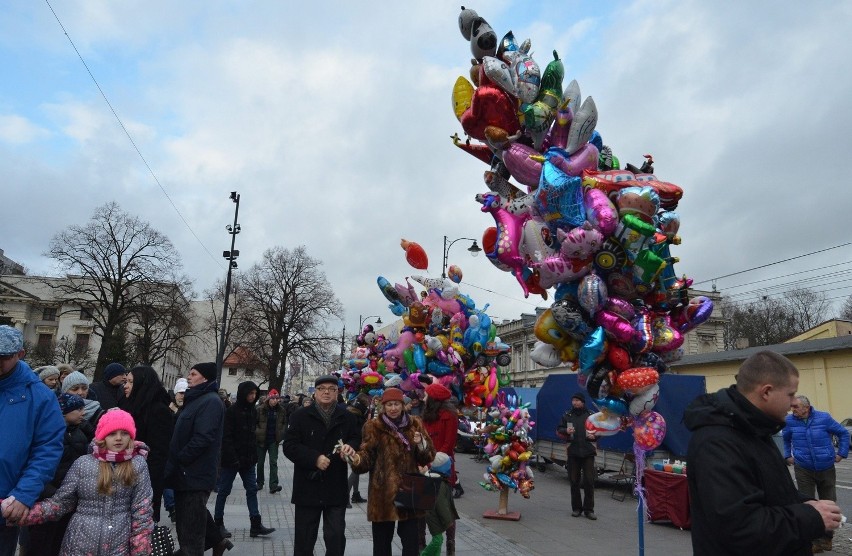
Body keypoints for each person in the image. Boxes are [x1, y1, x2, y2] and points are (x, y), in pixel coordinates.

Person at [685, 350, 843, 555]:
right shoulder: (717, 443)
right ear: (766, 392)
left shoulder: (754, 428)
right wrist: (811, 516)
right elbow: (741, 528)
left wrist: (805, 502)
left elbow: (769, 492)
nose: (795, 402)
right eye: (790, 394)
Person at [4, 408, 154, 554]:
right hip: (80, 543)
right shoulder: (83, 463)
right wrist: (17, 513)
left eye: (125, 433)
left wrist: (140, 548)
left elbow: (142, 510)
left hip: (120, 543)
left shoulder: (137, 464)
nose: (119, 438)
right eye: (112, 433)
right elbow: (61, 503)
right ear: (102, 436)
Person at [0, 325, 65, 556]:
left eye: (4, 356)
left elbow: (47, 450)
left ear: (20, 354)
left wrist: (24, 494)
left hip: (4, 504)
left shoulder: (41, 397)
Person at [350, 387, 436, 556]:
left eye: (396, 404)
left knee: (411, 543)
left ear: (403, 405)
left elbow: (428, 457)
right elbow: (367, 454)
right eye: (389, 405)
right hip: (382, 491)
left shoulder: (415, 423)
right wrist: (357, 459)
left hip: (410, 489)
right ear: (383, 406)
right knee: (382, 544)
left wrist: (420, 444)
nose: (393, 408)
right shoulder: (373, 426)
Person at [282, 375, 362, 556]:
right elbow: (289, 446)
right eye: (322, 388)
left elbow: (356, 437)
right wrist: (314, 458)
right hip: (307, 485)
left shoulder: (347, 417)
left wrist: (351, 447)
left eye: (332, 389)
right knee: (304, 539)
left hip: (335, 485)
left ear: (337, 392)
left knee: (335, 537)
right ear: (315, 392)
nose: (327, 392)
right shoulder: (300, 416)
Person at [164, 362, 232, 556]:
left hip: (194, 475)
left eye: (193, 374)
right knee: (186, 530)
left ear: (205, 378)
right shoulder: (196, 399)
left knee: (192, 535)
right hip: (185, 476)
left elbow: (203, 437)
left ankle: (215, 542)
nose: (189, 377)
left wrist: (181, 459)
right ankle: (218, 541)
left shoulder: (210, 401)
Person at [26, 393, 91, 556]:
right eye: (79, 409)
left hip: (68, 499)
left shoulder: (80, 432)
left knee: (59, 542)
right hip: (47, 497)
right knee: (40, 543)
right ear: (65, 411)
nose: (83, 413)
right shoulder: (49, 433)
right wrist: (51, 493)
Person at [783, 394, 849, 553]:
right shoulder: (790, 421)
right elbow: (785, 439)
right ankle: (810, 540)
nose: (793, 410)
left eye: (796, 407)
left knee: (829, 502)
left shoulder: (823, 418)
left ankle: (826, 539)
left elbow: (843, 433)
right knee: (807, 503)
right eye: (792, 407)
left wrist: (842, 453)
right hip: (803, 467)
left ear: (806, 407)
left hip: (825, 466)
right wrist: (787, 455)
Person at [214, 381, 276, 539]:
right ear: (243, 393)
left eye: (255, 394)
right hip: (232, 459)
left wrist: (253, 455)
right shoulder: (232, 411)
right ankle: (218, 523)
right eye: (250, 393)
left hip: (248, 459)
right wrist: (232, 458)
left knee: (252, 490)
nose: (253, 396)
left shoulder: (253, 411)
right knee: (224, 491)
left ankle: (255, 524)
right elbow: (226, 438)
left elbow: (251, 436)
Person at [122, 365, 175, 523]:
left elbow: (158, 453)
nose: (126, 386)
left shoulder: (158, 411)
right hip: (126, 477)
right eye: (126, 381)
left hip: (146, 480)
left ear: (141, 385)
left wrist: (149, 486)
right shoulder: (130, 405)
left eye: (130, 382)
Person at [419, 382, 460, 553]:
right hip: (423, 467)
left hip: (441, 468)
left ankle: (450, 543)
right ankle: (420, 544)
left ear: (433, 398)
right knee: (421, 508)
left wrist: (431, 462)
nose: (423, 397)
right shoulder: (426, 414)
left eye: (426, 394)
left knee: (444, 509)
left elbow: (448, 445)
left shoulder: (449, 415)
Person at [556, 392, 597, 520]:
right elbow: (559, 429)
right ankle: (577, 508)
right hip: (573, 452)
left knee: (589, 481)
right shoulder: (567, 415)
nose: (574, 402)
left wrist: (594, 436)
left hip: (588, 452)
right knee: (574, 481)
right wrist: (565, 431)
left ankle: (589, 510)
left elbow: (599, 430)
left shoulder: (591, 416)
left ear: (583, 402)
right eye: (573, 400)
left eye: (577, 400)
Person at [420, 452, 459, 556]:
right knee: (437, 540)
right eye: (448, 467)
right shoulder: (440, 484)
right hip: (435, 517)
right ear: (443, 468)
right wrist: (448, 521)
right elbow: (442, 505)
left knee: (438, 541)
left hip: (433, 516)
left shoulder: (433, 478)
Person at [256, 389, 286, 494]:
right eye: (273, 398)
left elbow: (284, 424)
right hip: (261, 439)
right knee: (260, 463)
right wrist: (257, 432)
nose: (275, 400)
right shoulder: (260, 409)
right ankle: (259, 482)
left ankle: (273, 485)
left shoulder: (281, 410)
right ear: (269, 398)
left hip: (274, 440)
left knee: (273, 462)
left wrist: (281, 434)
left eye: (277, 398)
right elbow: (254, 423)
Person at [346, 393, 372, 506]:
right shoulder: (356, 415)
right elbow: (359, 431)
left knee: (356, 470)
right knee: (356, 470)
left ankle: (355, 494)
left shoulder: (353, 411)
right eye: (367, 402)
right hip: (355, 445)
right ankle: (345, 496)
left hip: (353, 444)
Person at [61, 370, 104, 435]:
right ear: (65, 391)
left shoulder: (98, 412)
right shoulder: (56, 410)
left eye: (84, 388)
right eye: (75, 389)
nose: (80, 392)